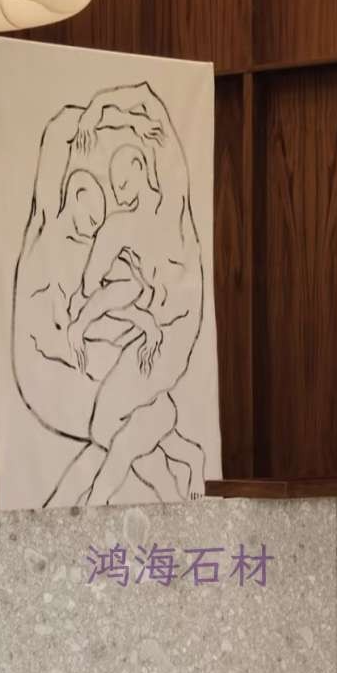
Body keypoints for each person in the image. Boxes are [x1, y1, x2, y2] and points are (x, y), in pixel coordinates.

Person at [65, 85, 207, 505]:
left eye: (122, 179)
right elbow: (90, 289)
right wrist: (136, 317)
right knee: (104, 425)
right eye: (114, 185)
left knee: (116, 424)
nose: (117, 188)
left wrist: (96, 108)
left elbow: (149, 99)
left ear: (143, 166)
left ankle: (95, 503)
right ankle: (182, 459)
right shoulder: (119, 228)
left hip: (175, 332)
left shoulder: (173, 200)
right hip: (155, 331)